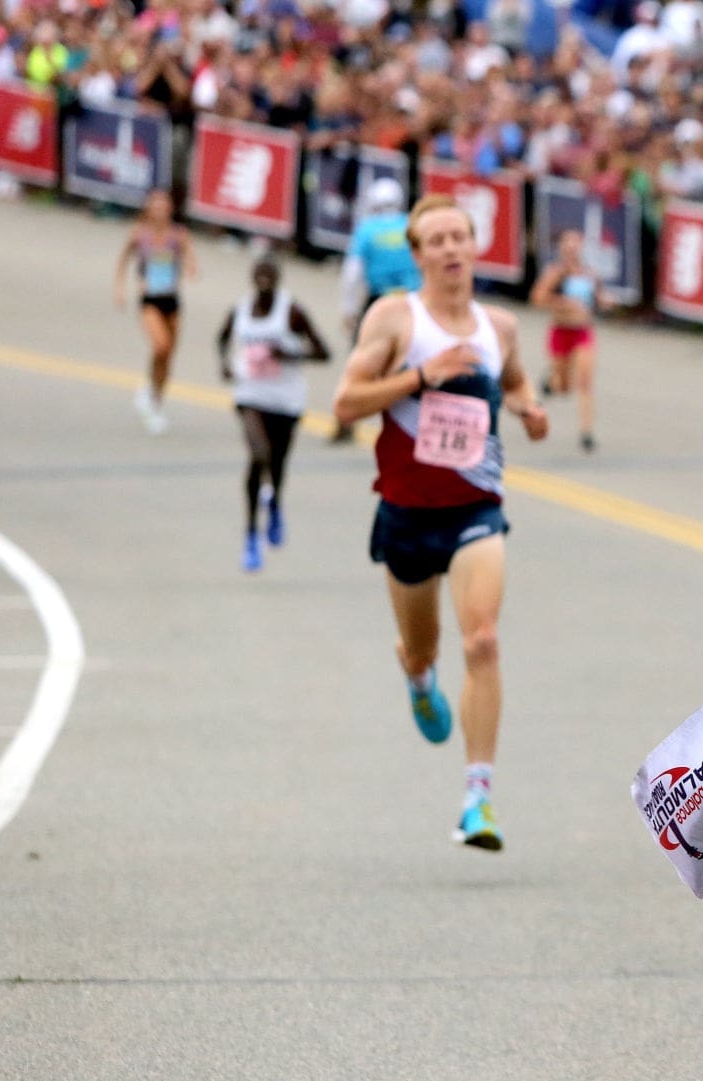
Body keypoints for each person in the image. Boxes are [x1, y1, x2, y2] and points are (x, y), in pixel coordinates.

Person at [332, 194, 550, 850]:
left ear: (475, 245)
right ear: (419, 253)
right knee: (424, 648)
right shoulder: (397, 319)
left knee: (481, 640)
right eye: (437, 240)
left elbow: (513, 382)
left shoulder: (499, 326)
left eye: (460, 236)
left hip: (476, 509)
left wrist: (529, 408)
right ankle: (417, 676)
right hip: (404, 512)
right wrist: (421, 375)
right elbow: (345, 404)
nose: (451, 249)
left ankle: (477, 801)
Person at [216, 257, 332, 573]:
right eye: (259, 273)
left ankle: (276, 503)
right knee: (259, 456)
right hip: (251, 395)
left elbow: (324, 352)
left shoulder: (291, 312)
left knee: (278, 463)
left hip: (286, 399)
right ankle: (251, 533)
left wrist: (290, 353)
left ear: (278, 279)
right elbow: (222, 338)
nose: (264, 279)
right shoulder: (240, 310)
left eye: (270, 274)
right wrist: (225, 364)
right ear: (252, 277)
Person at [335, 176, 422, 443]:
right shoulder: (412, 226)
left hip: (379, 303)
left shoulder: (367, 230)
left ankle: (345, 423)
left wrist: (349, 310)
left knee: (359, 363)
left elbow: (352, 274)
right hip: (413, 303)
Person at [114, 189, 198, 436]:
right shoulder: (139, 234)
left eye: (164, 206)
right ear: (148, 209)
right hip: (149, 299)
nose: (160, 211)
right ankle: (149, 394)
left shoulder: (178, 235)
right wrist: (120, 289)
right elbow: (123, 261)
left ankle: (154, 398)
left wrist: (189, 271)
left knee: (168, 355)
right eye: (155, 206)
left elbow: (190, 259)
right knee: (160, 346)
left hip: (171, 299)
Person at [529, 229, 600, 453]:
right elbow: (538, 298)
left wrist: (606, 302)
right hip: (561, 332)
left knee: (585, 381)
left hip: (582, 332)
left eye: (575, 245)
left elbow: (595, 300)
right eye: (567, 245)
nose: (571, 249)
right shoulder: (555, 273)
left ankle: (586, 432)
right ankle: (550, 384)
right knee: (564, 387)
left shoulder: (588, 273)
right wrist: (562, 302)